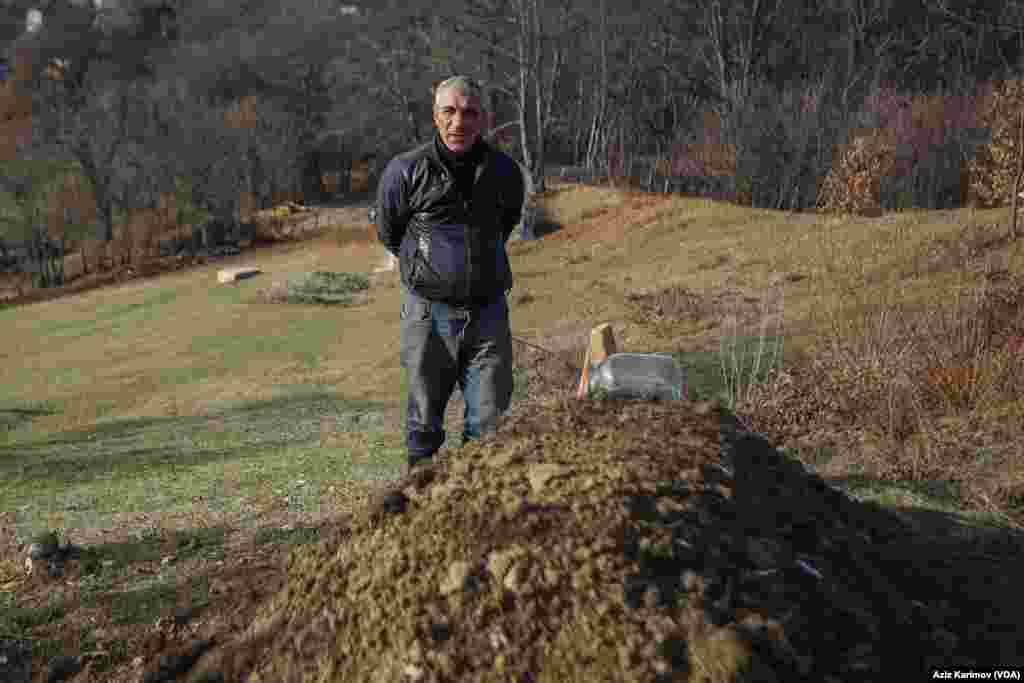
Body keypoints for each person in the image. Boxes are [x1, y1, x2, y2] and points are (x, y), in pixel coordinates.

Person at [369, 75, 525, 511]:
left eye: (470, 112)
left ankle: (474, 510)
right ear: (434, 115)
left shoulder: (505, 172)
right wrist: (432, 271)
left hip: (488, 313)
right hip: (427, 313)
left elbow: (506, 223)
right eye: (449, 111)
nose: (460, 122)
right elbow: (389, 230)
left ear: (485, 119)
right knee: (424, 415)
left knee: (489, 417)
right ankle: (419, 503)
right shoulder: (405, 171)